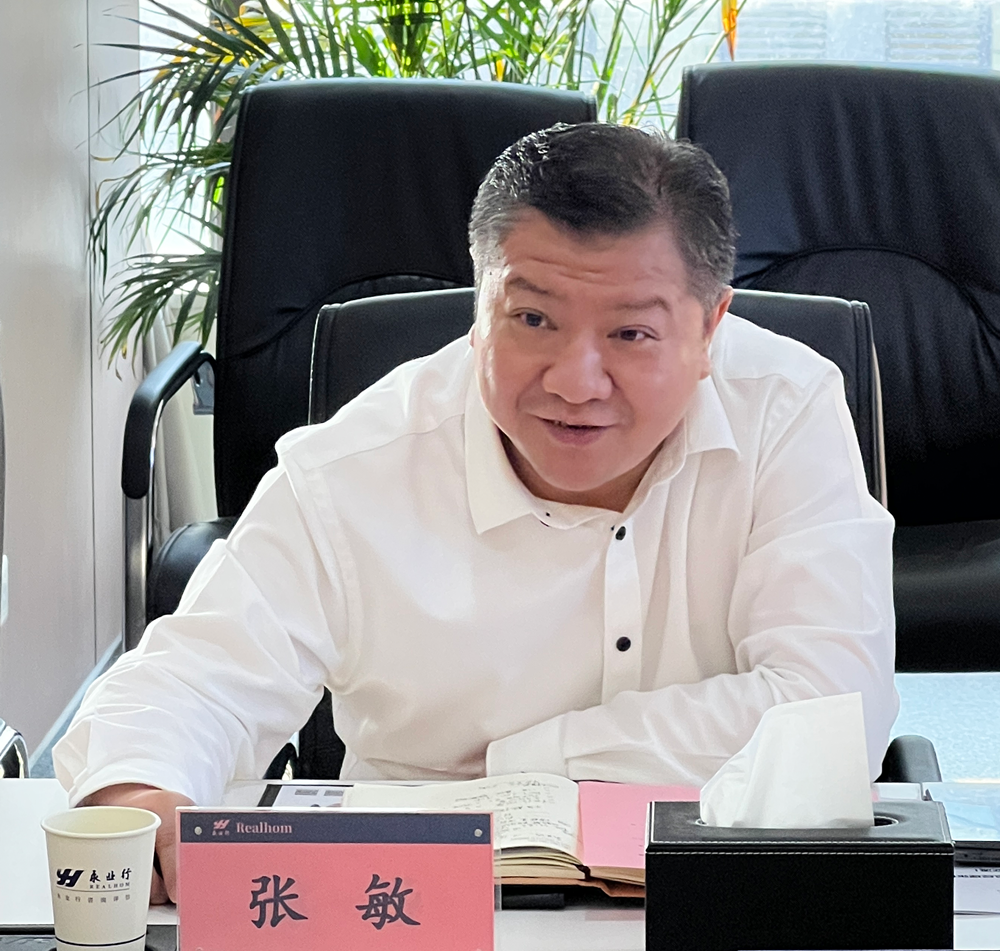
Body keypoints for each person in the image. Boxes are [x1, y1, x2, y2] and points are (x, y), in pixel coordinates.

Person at [54, 122, 897, 901]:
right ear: (478, 303)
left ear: (711, 328)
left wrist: (526, 764)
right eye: (533, 318)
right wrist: (140, 790)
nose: (576, 381)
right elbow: (192, 678)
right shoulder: (357, 466)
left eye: (631, 335)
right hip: (415, 901)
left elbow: (830, 716)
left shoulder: (784, 410)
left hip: (709, 896)